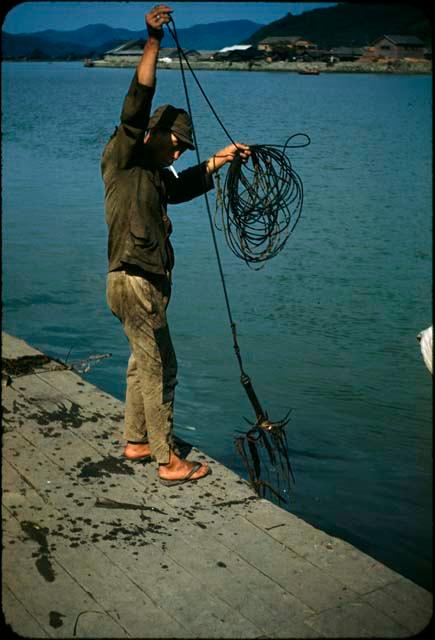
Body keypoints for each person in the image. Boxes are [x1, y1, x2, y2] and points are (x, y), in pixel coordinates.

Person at [101, 4, 251, 486]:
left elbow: (182, 186)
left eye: (186, 148)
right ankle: (168, 461)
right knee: (160, 367)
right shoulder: (125, 155)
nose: (180, 152)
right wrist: (152, 41)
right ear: (155, 133)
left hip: (135, 286)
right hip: (134, 282)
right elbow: (138, 98)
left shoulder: (154, 176)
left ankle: (136, 440)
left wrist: (219, 160)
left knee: (139, 362)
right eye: (178, 143)